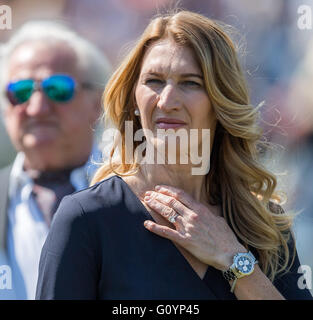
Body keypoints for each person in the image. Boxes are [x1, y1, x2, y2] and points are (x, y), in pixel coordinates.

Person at [36, 10, 312, 300]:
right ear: (133, 99)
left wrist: (234, 260)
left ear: (221, 103)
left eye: (190, 82)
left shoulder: (264, 224)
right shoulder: (85, 219)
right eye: (153, 81)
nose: (166, 101)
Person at [0, 21, 111, 299]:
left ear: (97, 104)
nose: (37, 108)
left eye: (58, 89)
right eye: (21, 91)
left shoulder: (140, 193)